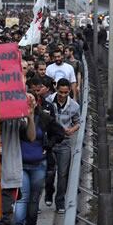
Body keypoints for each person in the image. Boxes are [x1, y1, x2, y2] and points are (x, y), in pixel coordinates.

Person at [14, 93, 64, 225]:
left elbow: (59, 133)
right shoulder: (16, 119)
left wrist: (48, 145)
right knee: (23, 197)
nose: (29, 103)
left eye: (32, 100)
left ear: (36, 102)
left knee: (34, 199)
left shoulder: (43, 118)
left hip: (39, 164)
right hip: (21, 164)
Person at [47, 78, 80, 213]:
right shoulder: (48, 101)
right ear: (57, 90)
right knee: (49, 172)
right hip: (49, 141)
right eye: (61, 92)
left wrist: (71, 130)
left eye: (66, 93)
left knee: (63, 174)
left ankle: (60, 202)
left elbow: (77, 122)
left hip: (64, 142)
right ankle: (49, 192)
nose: (63, 95)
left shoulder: (74, 106)